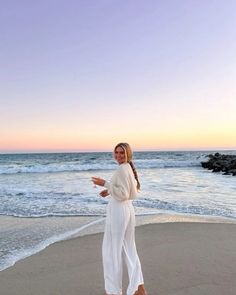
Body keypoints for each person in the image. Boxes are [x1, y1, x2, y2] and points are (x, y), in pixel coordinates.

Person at [92, 142, 147, 295]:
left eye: (122, 153)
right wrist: (109, 191)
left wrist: (104, 183)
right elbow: (128, 189)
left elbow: (122, 194)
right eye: (116, 152)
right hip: (127, 210)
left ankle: (113, 291)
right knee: (129, 248)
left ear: (128, 154)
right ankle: (138, 288)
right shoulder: (127, 168)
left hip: (119, 211)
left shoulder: (122, 168)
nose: (118, 155)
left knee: (111, 250)